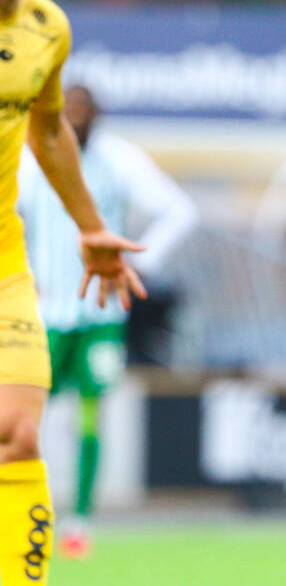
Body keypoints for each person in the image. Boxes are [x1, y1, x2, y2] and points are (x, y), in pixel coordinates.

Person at [0, 0, 145, 585]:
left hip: (6, 269)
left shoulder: (46, 27)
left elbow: (49, 129)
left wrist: (91, 229)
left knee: (20, 431)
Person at [18, 84, 197, 557]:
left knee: (90, 417)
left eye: (82, 110)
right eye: (67, 110)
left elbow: (180, 211)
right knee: (23, 421)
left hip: (100, 315)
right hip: (43, 316)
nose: (74, 117)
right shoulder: (30, 158)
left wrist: (142, 261)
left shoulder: (120, 160)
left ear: (97, 115)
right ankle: (27, 511)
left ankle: (79, 520)